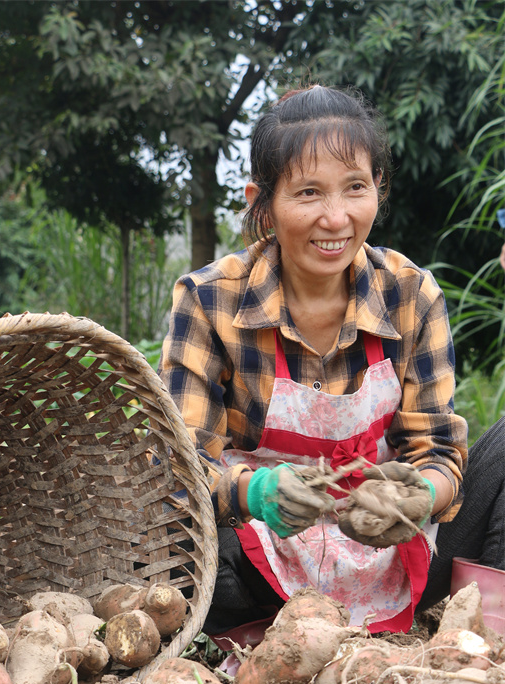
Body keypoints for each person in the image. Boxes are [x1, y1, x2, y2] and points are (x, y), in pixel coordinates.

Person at [159, 84, 504, 648]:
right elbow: (181, 469)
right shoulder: (208, 300)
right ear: (262, 203)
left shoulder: (412, 294)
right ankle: (272, 642)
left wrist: (420, 493)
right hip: (258, 564)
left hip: (393, 553)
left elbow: (438, 450)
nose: (336, 217)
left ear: (378, 190)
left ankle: (484, 642)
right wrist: (255, 493)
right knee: (180, 547)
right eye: (309, 193)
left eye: (355, 188)